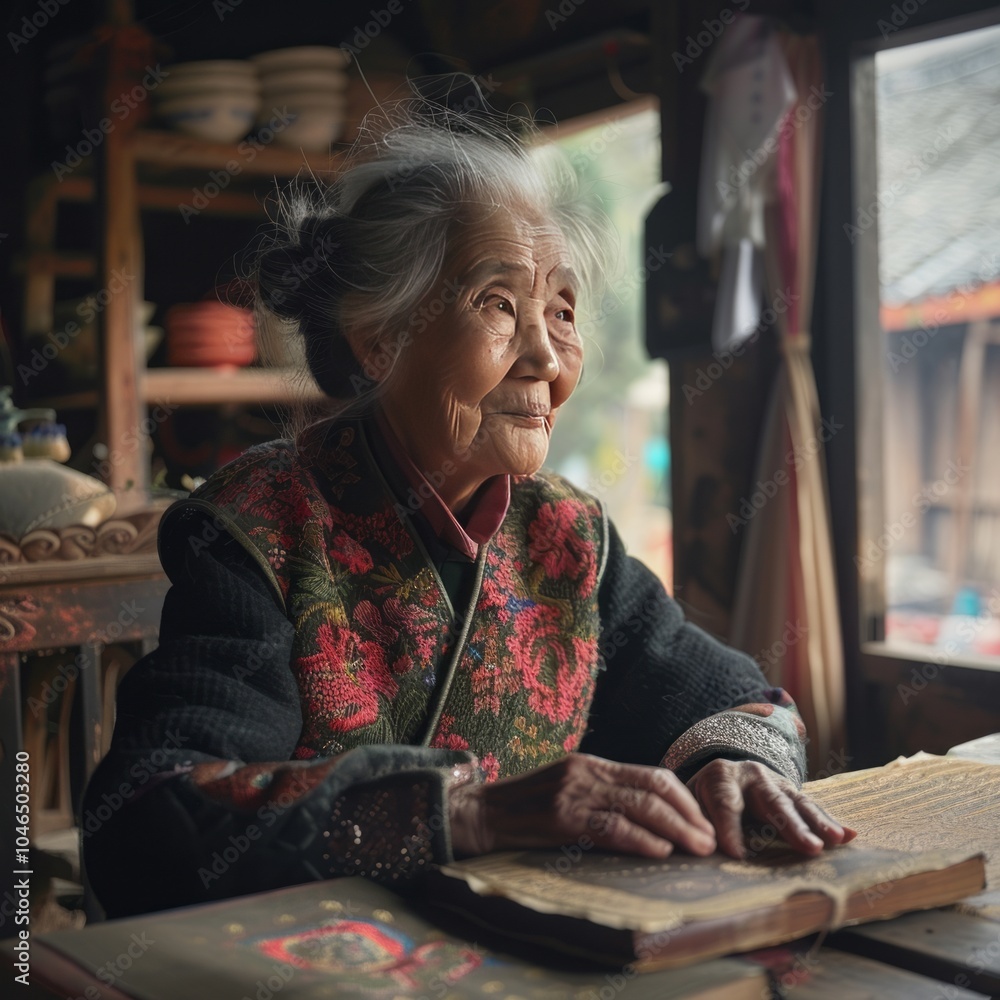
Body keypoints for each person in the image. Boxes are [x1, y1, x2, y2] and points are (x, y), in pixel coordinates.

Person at [83, 100, 852, 919]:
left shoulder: (564, 536)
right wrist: (466, 814)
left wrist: (738, 765)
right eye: (498, 303)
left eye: (562, 310)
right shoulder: (260, 530)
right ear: (378, 335)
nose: (548, 359)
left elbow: (732, 695)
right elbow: (145, 819)